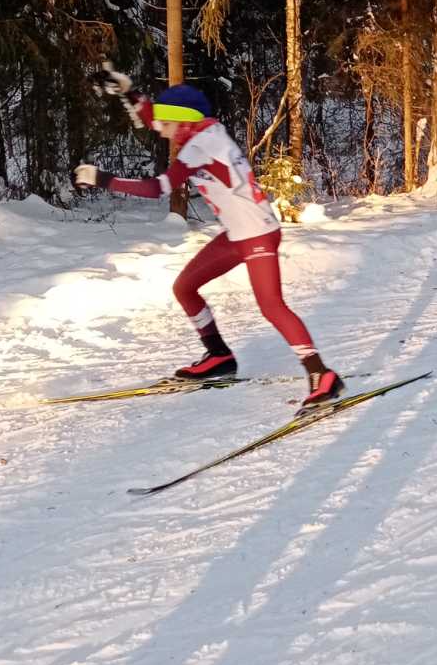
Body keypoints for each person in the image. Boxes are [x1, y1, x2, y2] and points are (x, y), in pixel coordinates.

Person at [73, 64, 345, 413]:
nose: (163, 132)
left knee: (271, 306)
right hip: (238, 234)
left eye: (169, 127)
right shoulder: (200, 129)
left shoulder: (200, 146)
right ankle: (219, 357)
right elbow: (158, 115)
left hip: (258, 233)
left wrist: (103, 179)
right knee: (185, 287)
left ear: (184, 123)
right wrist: (127, 92)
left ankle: (321, 375)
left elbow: (158, 188)